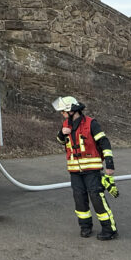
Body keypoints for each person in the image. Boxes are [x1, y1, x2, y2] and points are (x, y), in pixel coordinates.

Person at [53, 96, 118, 240]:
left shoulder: (91, 123)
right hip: (75, 171)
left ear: (72, 110)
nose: (62, 114)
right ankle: (85, 227)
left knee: (97, 198)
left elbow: (104, 142)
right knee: (79, 199)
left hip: (92, 170)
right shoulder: (66, 125)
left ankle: (109, 229)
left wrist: (109, 164)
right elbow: (60, 140)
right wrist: (61, 134)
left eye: (64, 111)